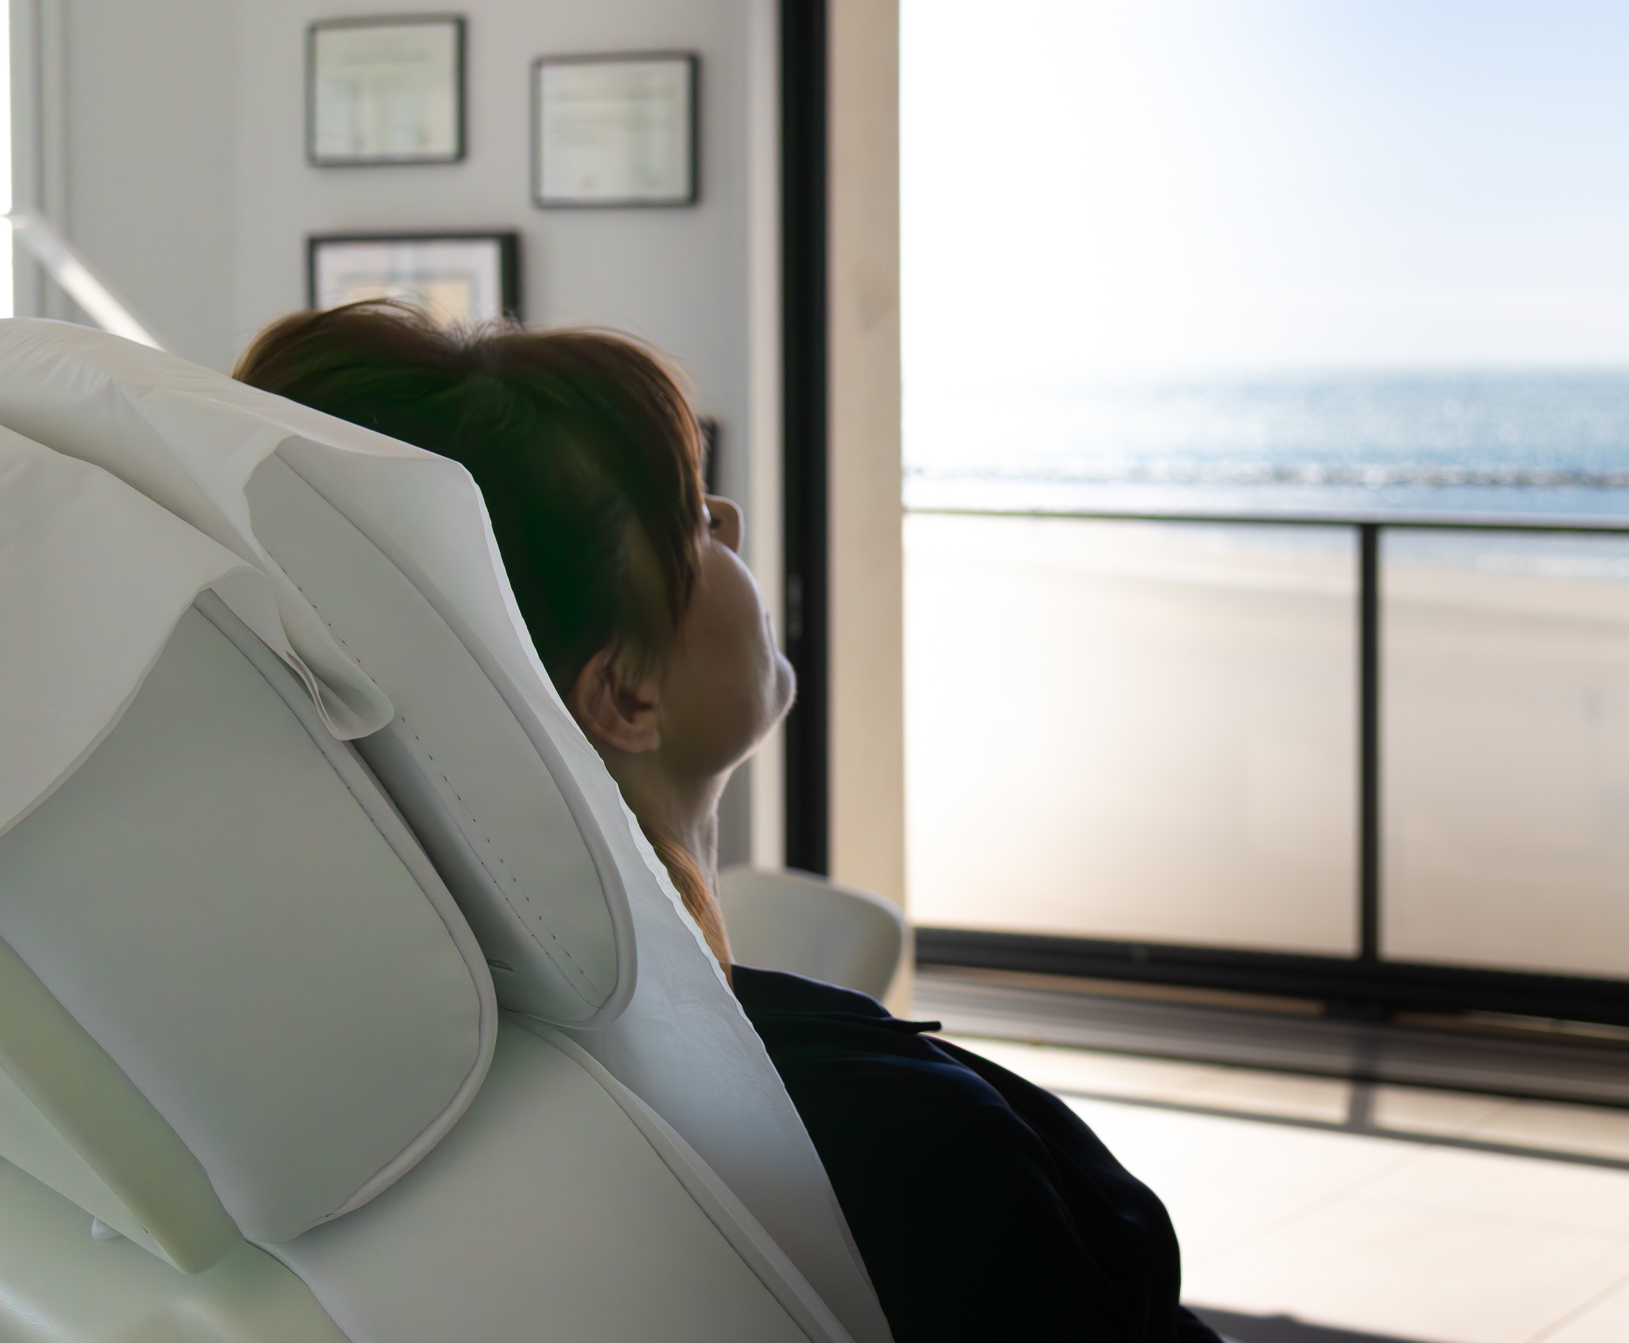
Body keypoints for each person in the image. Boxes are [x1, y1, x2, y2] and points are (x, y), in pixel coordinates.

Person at [235, 303, 1222, 1343]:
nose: (735, 520)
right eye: (693, 526)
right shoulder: (894, 1140)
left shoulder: (340, 1090)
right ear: (625, 695)